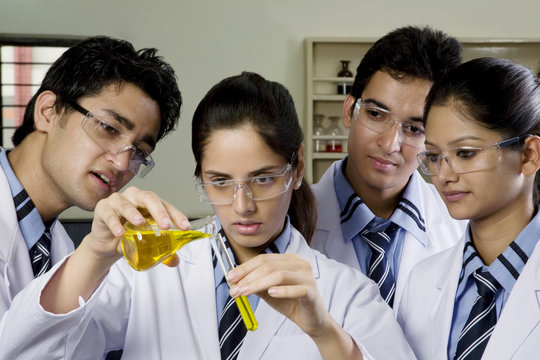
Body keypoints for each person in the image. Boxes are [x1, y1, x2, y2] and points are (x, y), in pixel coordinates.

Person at [0, 72, 415, 359]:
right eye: (219, 181)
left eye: (263, 179)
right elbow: (26, 352)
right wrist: (93, 253)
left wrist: (325, 332)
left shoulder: (347, 293)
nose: (241, 205)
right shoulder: (147, 272)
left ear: (297, 169)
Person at [0, 36, 182, 317]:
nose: (122, 163)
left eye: (139, 151)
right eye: (108, 128)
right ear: (48, 112)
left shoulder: (59, 248)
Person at [310, 25, 466, 313]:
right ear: (348, 110)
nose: (390, 144)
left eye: (415, 128)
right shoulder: (291, 221)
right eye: (375, 114)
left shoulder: (461, 230)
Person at [397, 57, 540, 359]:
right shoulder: (421, 282)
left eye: (465, 153)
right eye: (434, 156)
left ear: (529, 155)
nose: (444, 175)